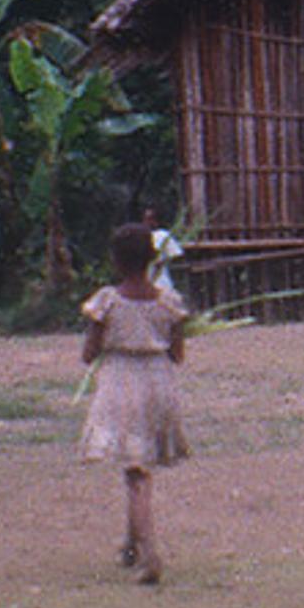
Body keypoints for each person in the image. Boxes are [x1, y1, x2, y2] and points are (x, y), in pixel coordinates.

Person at [77, 219, 190, 584]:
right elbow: (177, 353)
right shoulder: (169, 303)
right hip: (158, 383)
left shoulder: (106, 301)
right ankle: (130, 544)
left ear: (115, 261)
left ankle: (151, 554)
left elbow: (89, 352)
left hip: (123, 384)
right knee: (137, 464)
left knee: (137, 473)